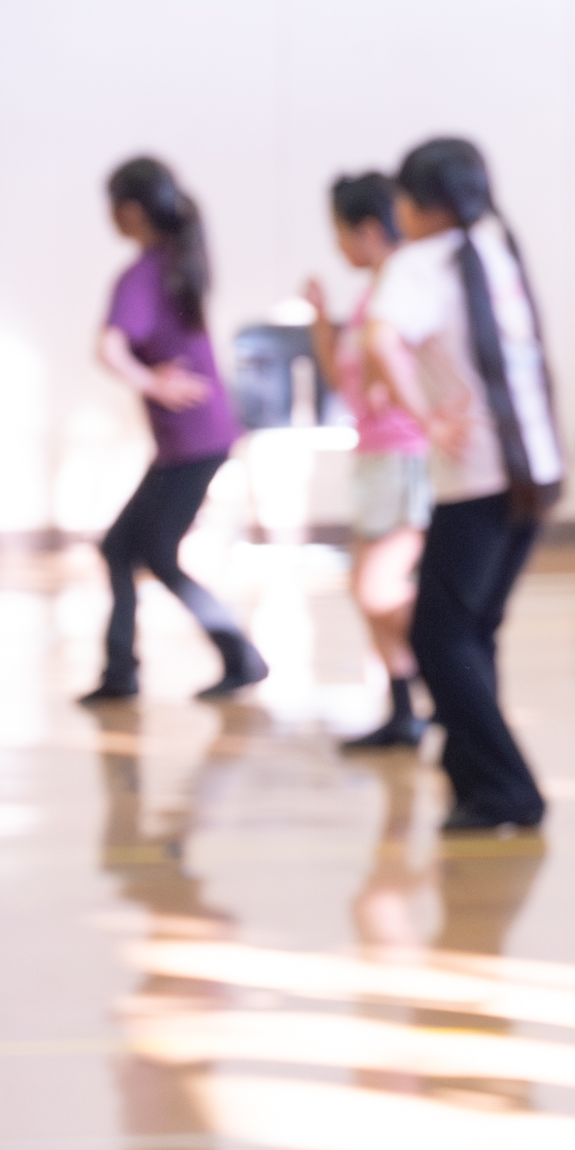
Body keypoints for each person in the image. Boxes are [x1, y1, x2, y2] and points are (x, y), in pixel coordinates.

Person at [366, 138, 564, 834]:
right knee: (473, 633)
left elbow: (379, 338)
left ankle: (511, 788)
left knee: (439, 636)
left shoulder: (419, 262)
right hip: (534, 475)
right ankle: (474, 782)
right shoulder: (497, 248)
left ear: (419, 205)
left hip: (477, 480)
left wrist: (420, 416)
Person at [82, 156, 267, 705]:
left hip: (193, 441)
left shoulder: (142, 274)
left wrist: (150, 383)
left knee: (149, 553)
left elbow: (108, 347)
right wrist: (153, 383)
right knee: (122, 548)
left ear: (131, 210)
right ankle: (123, 671)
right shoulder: (177, 261)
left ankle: (236, 655)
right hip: (197, 438)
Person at [305, 172, 431, 750]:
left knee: (378, 589)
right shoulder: (368, 298)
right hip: (372, 457)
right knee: (366, 588)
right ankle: (404, 708)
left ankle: (451, 671)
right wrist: (318, 321)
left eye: (340, 233)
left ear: (369, 230)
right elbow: (344, 384)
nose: (336, 247)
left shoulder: (405, 288)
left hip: (404, 456)